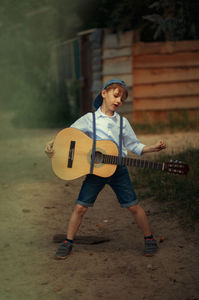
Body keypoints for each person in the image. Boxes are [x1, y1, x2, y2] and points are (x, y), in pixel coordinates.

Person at [45, 78, 166, 260]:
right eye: (115, 95)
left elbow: (134, 145)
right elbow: (69, 135)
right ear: (104, 93)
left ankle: (149, 239)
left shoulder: (122, 123)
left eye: (122, 99)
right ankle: (67, 242)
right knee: (80, 208)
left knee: (134, 207)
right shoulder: (89, 119)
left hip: (119, 171)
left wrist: (152, 147)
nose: (118, 101)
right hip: (96, 172)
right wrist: (53, 145)